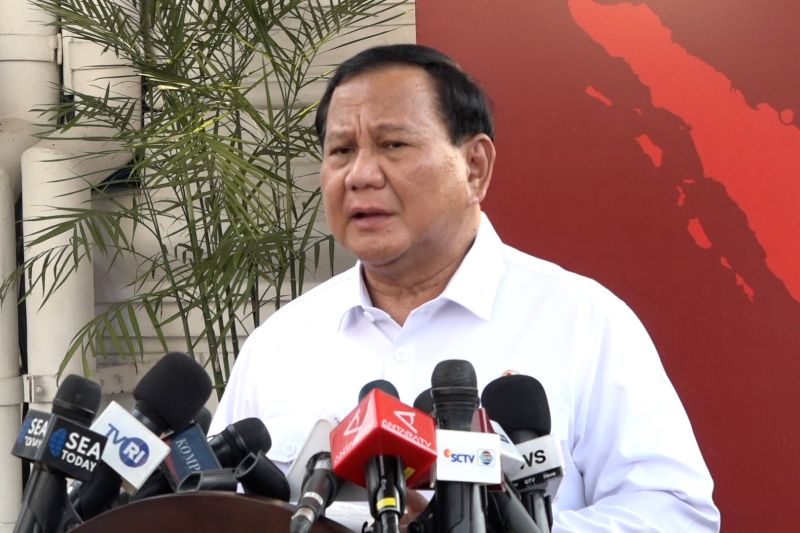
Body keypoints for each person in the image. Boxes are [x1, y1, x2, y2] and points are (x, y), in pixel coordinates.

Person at [210, 44, 720, 531]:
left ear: (475, 167)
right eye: (341, 150)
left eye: (393, 145)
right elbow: (210, 510)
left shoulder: (583, 321)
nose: (360, 175)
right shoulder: (279, 344)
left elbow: (676, 514)